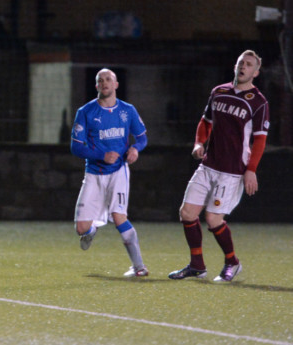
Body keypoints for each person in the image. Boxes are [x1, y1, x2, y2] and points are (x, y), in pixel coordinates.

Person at [168, 50, 269, 283]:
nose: (243, 66)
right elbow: (206, 122)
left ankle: (232, 262)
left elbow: (260, 139)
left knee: (213, 219)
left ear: (255, 72)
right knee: (187, 213)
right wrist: (198, 142)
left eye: (249, 64)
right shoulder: (219, 92)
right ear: (235, 66)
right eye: (240, 62)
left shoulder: (259, 102)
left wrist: (251, 169)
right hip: (208, 166)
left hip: (232, 171)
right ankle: (197, 265)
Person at [70, 68, 148, 277]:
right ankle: (91, 230)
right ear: (96, 86)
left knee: (119, 216)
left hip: (118, 171)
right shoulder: (85, 112)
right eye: (100, 80)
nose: (104, 83)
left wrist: (135, 149)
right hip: (94, 173)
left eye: (108, 79)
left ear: (116, 85)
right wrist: (101, 155)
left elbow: (142, 138)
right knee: (81, 228)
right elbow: (76, 147)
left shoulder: (127, 110)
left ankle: (139, 267)